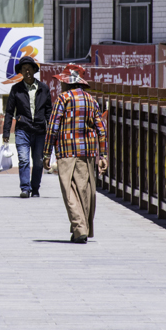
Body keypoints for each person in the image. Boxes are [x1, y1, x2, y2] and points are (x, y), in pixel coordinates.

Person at [42, 64, 108, 244]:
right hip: (87, 151)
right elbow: (101, 129)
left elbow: (53, 128)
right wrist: (103, 155)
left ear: (66, 83)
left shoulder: (62, 99)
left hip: (66, 150)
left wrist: (47, 153)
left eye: (62, 82)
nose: (60, 85)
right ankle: (82, 227)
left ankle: (79, 229)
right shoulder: (91, 100)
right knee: (84, 190)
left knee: (70, 192)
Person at [2, 55, 52, 198]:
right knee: (24, 159)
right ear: (21, 72)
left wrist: (51, 131)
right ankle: (25, 188)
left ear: (34, 70)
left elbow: (49, 110)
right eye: (24, 69)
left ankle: (35, 188)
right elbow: (9, 112)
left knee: (38, 162)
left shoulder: (44, 88)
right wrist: (6, 132)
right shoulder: (16, 89)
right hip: (22, 130)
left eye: (29, 68)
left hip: (40, 131)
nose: (27, 71)